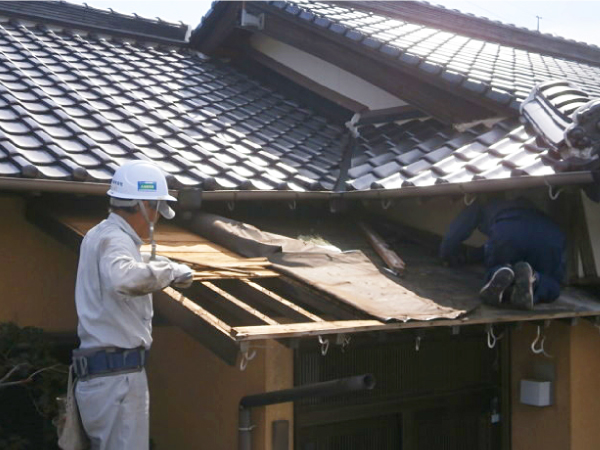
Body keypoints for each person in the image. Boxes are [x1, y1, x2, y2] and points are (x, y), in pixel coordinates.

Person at [73, 161, 194, 449]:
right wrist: (171, 272)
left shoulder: (99, 235)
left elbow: (124, 272)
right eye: (156, 209)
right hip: (118, 378)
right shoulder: (115, 239)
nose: (157, 218)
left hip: (104, 377)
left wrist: (159, 265)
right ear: (143, 205)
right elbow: (123, 277)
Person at [439, 197, 566, 310]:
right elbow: (527, 233)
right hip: (551, 236)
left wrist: (446, 254)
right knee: (551, 281)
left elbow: (456, 231)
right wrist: (472, 256)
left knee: (497, 265)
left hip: (508, 230)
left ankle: (500, 271)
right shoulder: (529, 207)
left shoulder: (481, 202)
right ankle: (535, 279)